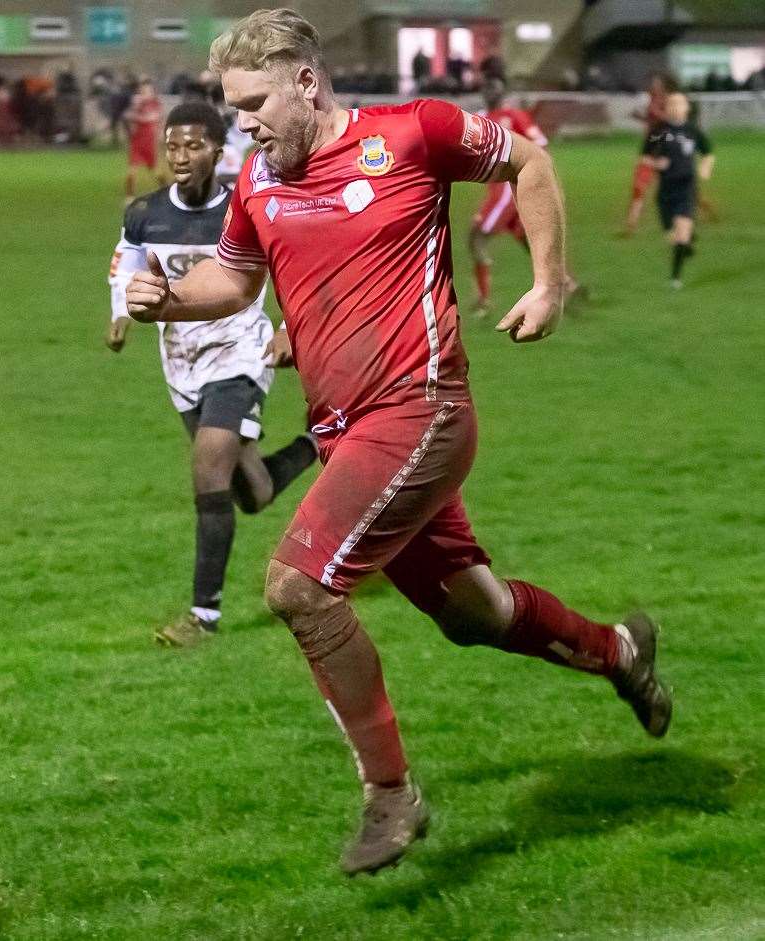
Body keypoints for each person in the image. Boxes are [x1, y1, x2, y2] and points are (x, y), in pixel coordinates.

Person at [125, 9, 671, 876]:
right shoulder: (258, 183)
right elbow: (232, 277)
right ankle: (620, 650)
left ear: (305, 82)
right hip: (351, 437)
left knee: (298, 588)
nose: (244, 124)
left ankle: (389, 794)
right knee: (473, 616)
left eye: (254, 103)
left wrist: (547, 283)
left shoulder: (411, 133)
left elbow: (528, 160)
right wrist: (167, 298)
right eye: (233, 110)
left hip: (421, 411)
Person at [109, 101, 317, 647]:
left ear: (219, 152)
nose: (181, 155)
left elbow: (297, 269)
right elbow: (126, 262)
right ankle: (319, 445)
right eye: (173, 145)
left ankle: (203, 617)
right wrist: (120, 313)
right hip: (180, 359)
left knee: (208, 471)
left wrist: (289, 329)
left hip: (239, 353)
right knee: (252, 491)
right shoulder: (146, 211)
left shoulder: (246, 209)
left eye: (194, 145)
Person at [469, 81, 584, 312]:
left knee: (477, 238)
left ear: (502, 93)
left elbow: (540, 146)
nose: (490, 92)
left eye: (494, 89)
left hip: (507, 192)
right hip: (501, 189)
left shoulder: (514, 116)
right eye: (487, 88)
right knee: (530, 242)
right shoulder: (481, 118)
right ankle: (569, 284)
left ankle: (483, 302)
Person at [643, 93, 714, 289]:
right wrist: (657, 163)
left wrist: (705, 168)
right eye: (671, 104)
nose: (675, 107)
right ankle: (686, 245)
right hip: (665, 192)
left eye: (679, 104)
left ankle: (675, 279)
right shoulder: (660, 132)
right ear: (666, 108)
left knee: (681, 234)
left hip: (686, 189)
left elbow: (708, 153)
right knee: (673, 238)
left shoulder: (693, 131)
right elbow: (645, 157)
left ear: (686, 108)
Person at [622, 73, 675, 237]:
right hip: (650, 147)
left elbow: (672, 121)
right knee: (639, 187)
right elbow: (651, 122)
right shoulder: (651, 102)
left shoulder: (670, 101)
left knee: (677, 187)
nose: (653, 86)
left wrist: (656, 113)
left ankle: (702, 208)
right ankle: (630, 226)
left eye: (657, 84)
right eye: (653, 84)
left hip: (665, 146)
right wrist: (640, 117)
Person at [123, 78, 163, 199]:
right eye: (143, 91)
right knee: (132, 170)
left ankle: (165, 188)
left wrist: (139, 117)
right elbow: (127, 116)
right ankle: (129, 196)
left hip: (148, 140)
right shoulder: (137, 104)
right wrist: (135, 110)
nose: (145, 94)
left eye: (148, 91)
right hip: (137, 140)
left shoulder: (155, 104)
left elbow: (153, 117)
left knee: (155, 170)